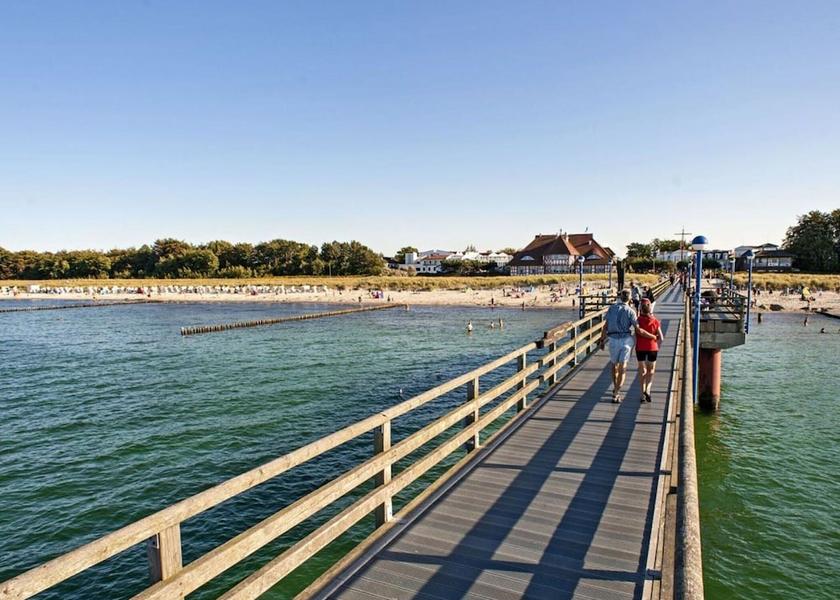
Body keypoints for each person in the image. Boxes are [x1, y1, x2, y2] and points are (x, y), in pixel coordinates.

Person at [599, 289, 657, 403]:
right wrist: (652, 336)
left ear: (620, 297)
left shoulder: (612, 308)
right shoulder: (630, 311)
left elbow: (605, 326)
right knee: (623, 367)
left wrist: (601, 340)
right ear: (630, 298)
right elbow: (638, 329)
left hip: (613, 340)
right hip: (625, 340)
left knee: (614, 365)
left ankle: (615, 391)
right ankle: (616, 392)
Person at [635, 299, 664, 403]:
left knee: (642, 371)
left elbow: (636, 332)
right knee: (651, 371)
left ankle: (642, 394)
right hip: (652, 348)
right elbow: (661, 337)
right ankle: (648, 390)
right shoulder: (655, 321)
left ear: (641, 309)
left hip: (640, 348)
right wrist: (655, 341)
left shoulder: (638, 320)